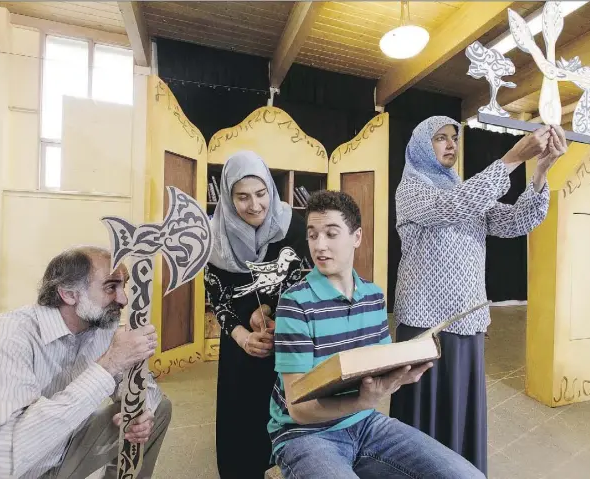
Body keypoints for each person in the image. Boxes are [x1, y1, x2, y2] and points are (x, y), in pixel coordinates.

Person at [390, 116, 567, 475]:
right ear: (422, 146)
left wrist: (541, 171)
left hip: (467, 323)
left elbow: (517, 221)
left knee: (459, 417)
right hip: (427, 326)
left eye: (453, 138)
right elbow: (452, 206)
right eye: (440, 139)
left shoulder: (466, 192)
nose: (451, 144)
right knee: (426, 425)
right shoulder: (411, 189)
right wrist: (513, 158)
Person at [268, 190, 485, 479]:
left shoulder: (373, 296)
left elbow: (376, 365)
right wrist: (364, 401)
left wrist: (399, 376)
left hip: (366, 424)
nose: (320, 246)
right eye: (312, 235)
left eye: (331, 234)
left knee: (467, 476)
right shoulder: (294, 303)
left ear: (356, 237)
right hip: (305, 435)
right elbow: (299, 410)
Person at [0, 246, 171, 479]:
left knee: (158, 407)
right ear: (68, 294)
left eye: (124, 285)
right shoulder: (6, 338)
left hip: (53, 454)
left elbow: (143, 386)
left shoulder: (98, 328)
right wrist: (109, 365)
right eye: (111, 287)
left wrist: (141, 410)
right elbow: (6, 458)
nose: (123, 299)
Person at [205, 150, 311, 479]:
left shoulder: (293, 225)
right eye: (242, 197)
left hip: (285, 337)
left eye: (261, 194)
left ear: (271, 189)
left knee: (289, 416)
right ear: (226, 196)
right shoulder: (214, 236)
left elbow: (303, 279)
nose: (254, 206)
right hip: (240, 343)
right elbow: (217, 296)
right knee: (241, 425)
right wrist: (243, 335)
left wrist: (269, 310)